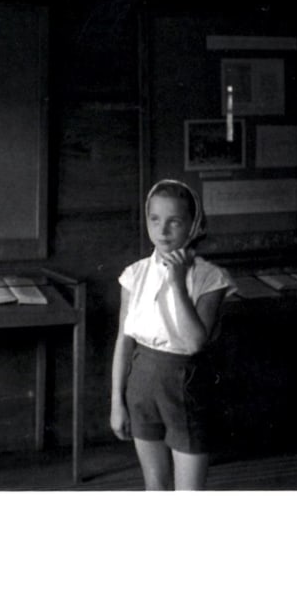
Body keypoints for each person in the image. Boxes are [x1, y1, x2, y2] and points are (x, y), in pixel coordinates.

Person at [109, 180, 233, 490]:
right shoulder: (134, 274)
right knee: (155, 487)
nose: (162, 231)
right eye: (155, 219)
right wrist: (116, 402)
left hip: (185, 385)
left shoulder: (210, 278)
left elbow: (194, 342)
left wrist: (177, 282)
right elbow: (124, 341)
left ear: (193, 225)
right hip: (141, 385)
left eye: (174, 221)